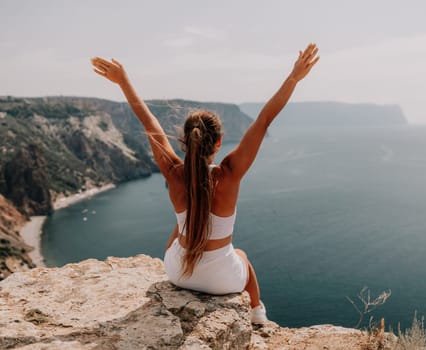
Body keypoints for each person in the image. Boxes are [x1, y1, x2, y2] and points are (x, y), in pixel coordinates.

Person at [91, 43, 319, 323]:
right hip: (222, 279)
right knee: (242, 255)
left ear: (185, 141)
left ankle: (246, 302)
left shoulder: (174, 173)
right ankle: (258, 313)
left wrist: (123, 81)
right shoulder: (230, 172)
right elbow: (264, 119)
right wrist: (294, 77)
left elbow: (148, 121)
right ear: (220, 142)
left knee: (179, 229)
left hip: (178, 274)